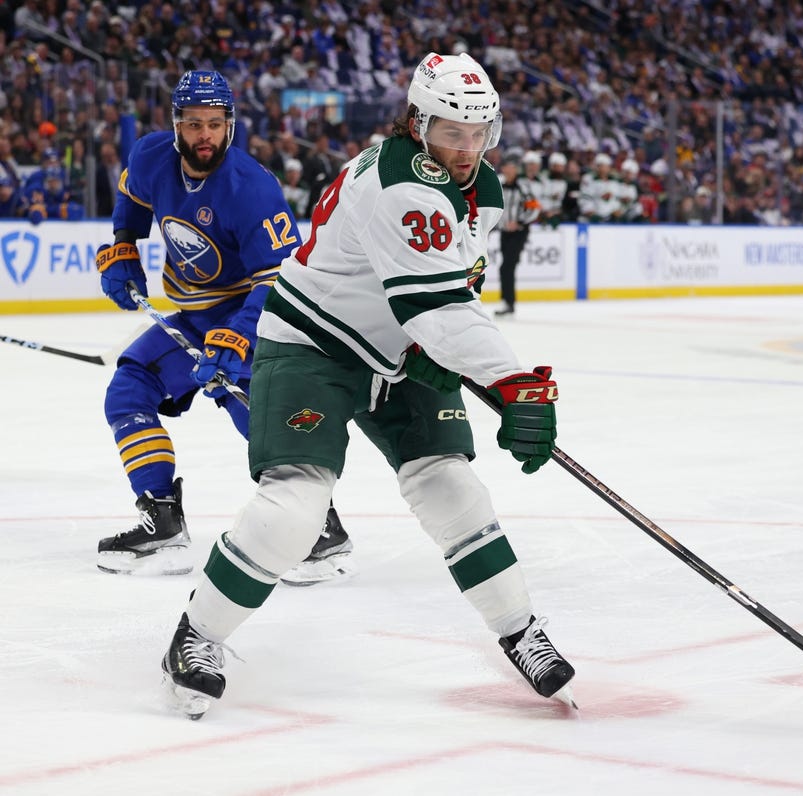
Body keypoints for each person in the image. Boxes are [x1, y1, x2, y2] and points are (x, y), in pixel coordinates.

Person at [159, 52, 575, 719]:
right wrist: (515, 385)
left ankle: (521, 629)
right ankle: (197, 635)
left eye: (479, 134)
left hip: (400, 346)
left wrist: (460, 362)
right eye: (450, 132)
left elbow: (450, 292)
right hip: (313, 342)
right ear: (418, 123)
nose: (466, 149)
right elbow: (437, 307)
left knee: (452, 486)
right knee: (295, 509)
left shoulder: (482, 191)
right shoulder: (398, 184)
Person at [94, 70, 354, 585]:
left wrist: (238, 336)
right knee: (128, 391)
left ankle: (320, 529)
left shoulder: (251, 189)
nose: (204, 135)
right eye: (193, 124)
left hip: (255, 317)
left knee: (259, 417)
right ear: (176, 125)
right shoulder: (151, 156)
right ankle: (162, 517)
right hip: (192, 319)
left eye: (215, 123)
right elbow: (132, 198)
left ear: (230, 124)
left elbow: (280, 282)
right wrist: (123, 249)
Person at [494, 153, 539, 317]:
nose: (505, 169)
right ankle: (507, 302)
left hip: (519, 232)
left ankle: (509, 303)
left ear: (514, 169)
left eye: (508, 166)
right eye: (504, 166)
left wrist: (519, 222)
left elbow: (534, 207)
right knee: (506, 268)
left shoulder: (523, 185)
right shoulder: (501, 183)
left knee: (507, 267)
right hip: (505, 232)